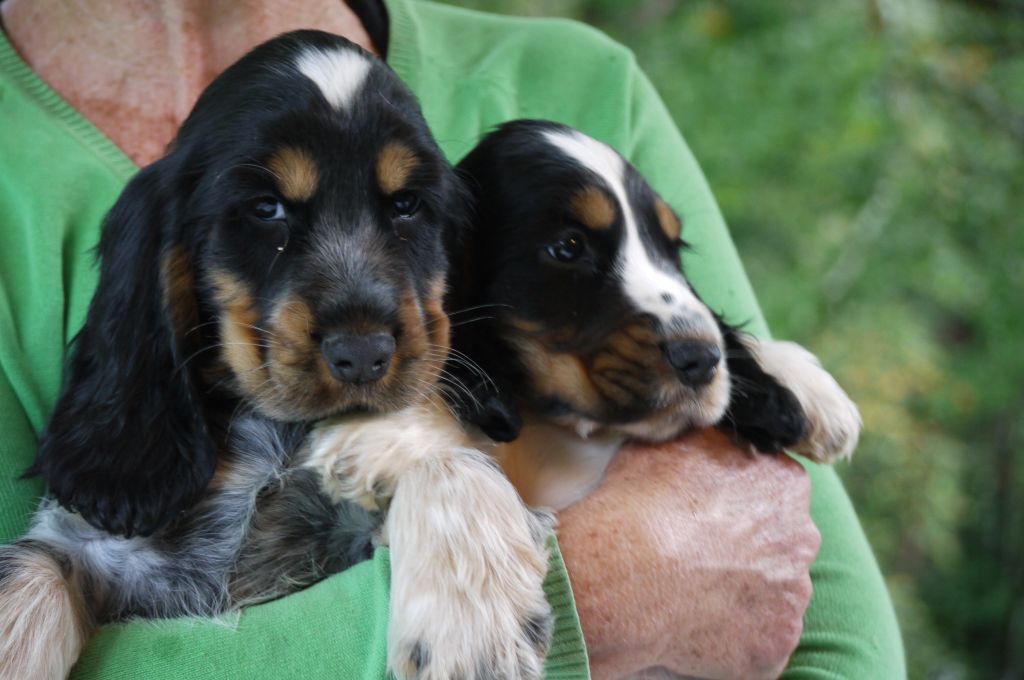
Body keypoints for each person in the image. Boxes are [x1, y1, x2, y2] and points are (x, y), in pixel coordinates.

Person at [0, 0, 905, 677]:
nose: (364, 338)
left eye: (409, 212)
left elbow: (834, 647)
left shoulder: (583, 87)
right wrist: (584, 595)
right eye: (264, 210)